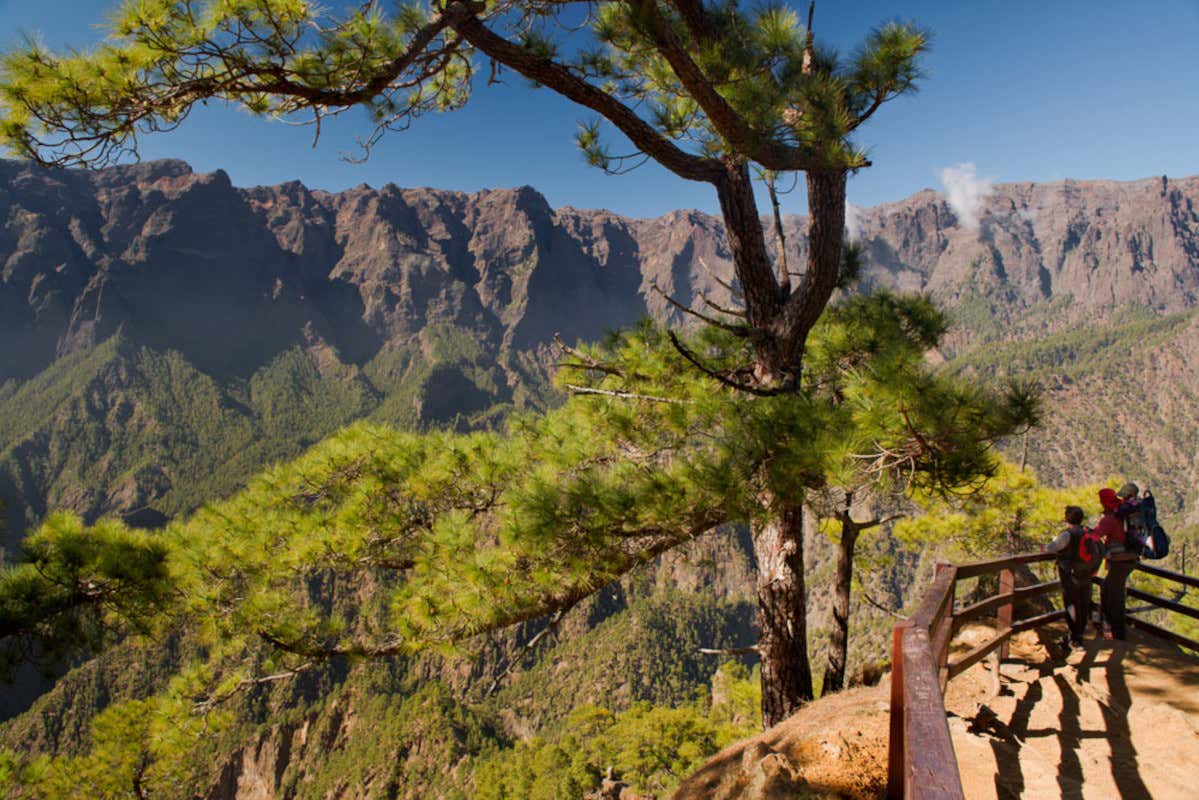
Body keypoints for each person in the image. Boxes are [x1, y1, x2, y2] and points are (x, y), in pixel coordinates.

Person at [1043, 505, 1097, 648]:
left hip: (1070, 576)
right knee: (1083, 605)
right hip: (1086, 574)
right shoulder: (1087, 532)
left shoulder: (1067, 534)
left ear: (1067, 518)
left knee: (1072, 606)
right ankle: (1078, 636)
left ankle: (1074, 639)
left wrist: (1045, 547)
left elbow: (1050, 548)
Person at [1096, 487, 1139, 640]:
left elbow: (1095, 535)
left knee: (1114, 595)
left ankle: (1116, 632)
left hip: (1119, 560)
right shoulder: (1122, 512)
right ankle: (1110, 628)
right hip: (1130, 557)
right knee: (1110, 589)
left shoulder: (1110, 518)